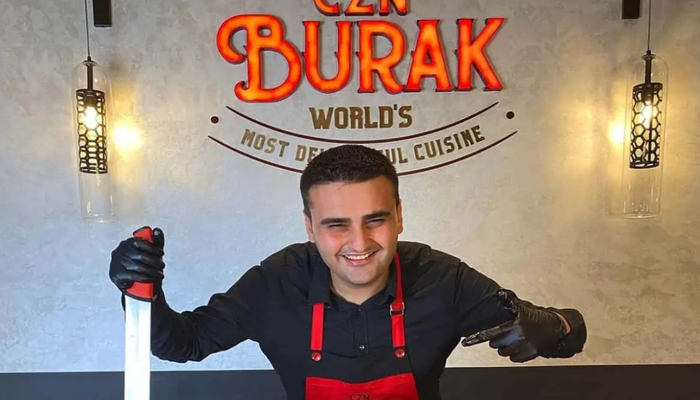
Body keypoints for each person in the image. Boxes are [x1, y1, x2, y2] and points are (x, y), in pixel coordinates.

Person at [109, 144, 587, 400]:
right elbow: (183, 343)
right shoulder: (277, 283)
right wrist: (139, 292)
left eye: (375, 220)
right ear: (309, 227)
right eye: (336, 225)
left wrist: (556, 326)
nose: (359, 243)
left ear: (399, 215)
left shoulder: (443, 278)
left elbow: (570, 331)